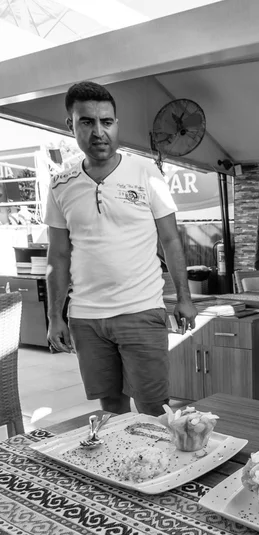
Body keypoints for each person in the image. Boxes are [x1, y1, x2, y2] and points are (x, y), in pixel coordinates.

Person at [45, 81, 197, 417]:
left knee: (154, 408)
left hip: (141, 311)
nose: (99, 132)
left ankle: (161, 471)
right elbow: (57, 255)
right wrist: (55, 316)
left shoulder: (145, 171)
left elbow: (171, 239)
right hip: (86, 318)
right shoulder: (60, 184)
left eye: (107, 122)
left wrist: (184, 299)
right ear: (71, 126)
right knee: (111, 408)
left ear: (117, 124)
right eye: (87, 122)